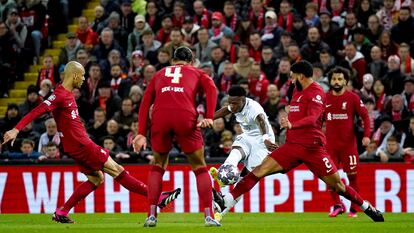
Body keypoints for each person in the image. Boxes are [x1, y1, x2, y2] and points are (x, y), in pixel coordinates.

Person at [2, 61, 180, 224]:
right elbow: (39, 110)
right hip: (81, 145)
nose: (85, 78)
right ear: (75, 76)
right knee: (117, 170)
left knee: (96, 178)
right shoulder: (60, 95)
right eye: (83, 75)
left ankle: (62, 211)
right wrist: (16, 129)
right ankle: (157, 198)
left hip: (75, 146)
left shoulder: (64, 93)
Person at [212, 60, 384, 223]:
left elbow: (313, 117)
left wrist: (292, 123)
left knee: (338, 186)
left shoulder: (316, 92)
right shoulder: (296, 90)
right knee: (257, 171)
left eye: (293, 76)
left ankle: (367, 207)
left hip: (312, 148)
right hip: (292, 146)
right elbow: (297, 111)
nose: (291, 80)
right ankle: (226, 200)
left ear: (301, 76)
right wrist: (288, 116)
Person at [132, 46, 220, 227]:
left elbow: (145, 102)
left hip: (160, 117)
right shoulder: (197, 72)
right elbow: (211, 88)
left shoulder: (159, 74)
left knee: (158, 166)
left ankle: (151, 216)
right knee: (200, 166)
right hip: (185, 117)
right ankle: (209, 216)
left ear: (173, 61)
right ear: (191, 61)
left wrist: (141, 133)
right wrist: (210, 116)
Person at [209, 85, 278, 216]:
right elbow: (225, 110)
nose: (232, 106)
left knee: (247, 178)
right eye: (230, 102)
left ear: (243, 99)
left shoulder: (254, 108)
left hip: (262, 141)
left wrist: (265, 139)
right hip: (247, 136)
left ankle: (223, 206)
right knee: (235, 153)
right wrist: (208, 118)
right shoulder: (235, 104)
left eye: (234, 103)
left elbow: (262, 121)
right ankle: (225, 174)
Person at [325, 66, 371, 218]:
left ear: (345, 81)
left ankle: (354, 208)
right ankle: (337, 205)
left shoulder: (353, 98)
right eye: (334, 79)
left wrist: (366, 135)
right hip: (330, 146)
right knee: (329, 177)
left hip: (348, 146)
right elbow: (317, 120)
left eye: (339, 79)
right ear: (330, 81)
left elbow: (365, 117)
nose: (336, 81)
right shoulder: (325, 98)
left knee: (352, 177)